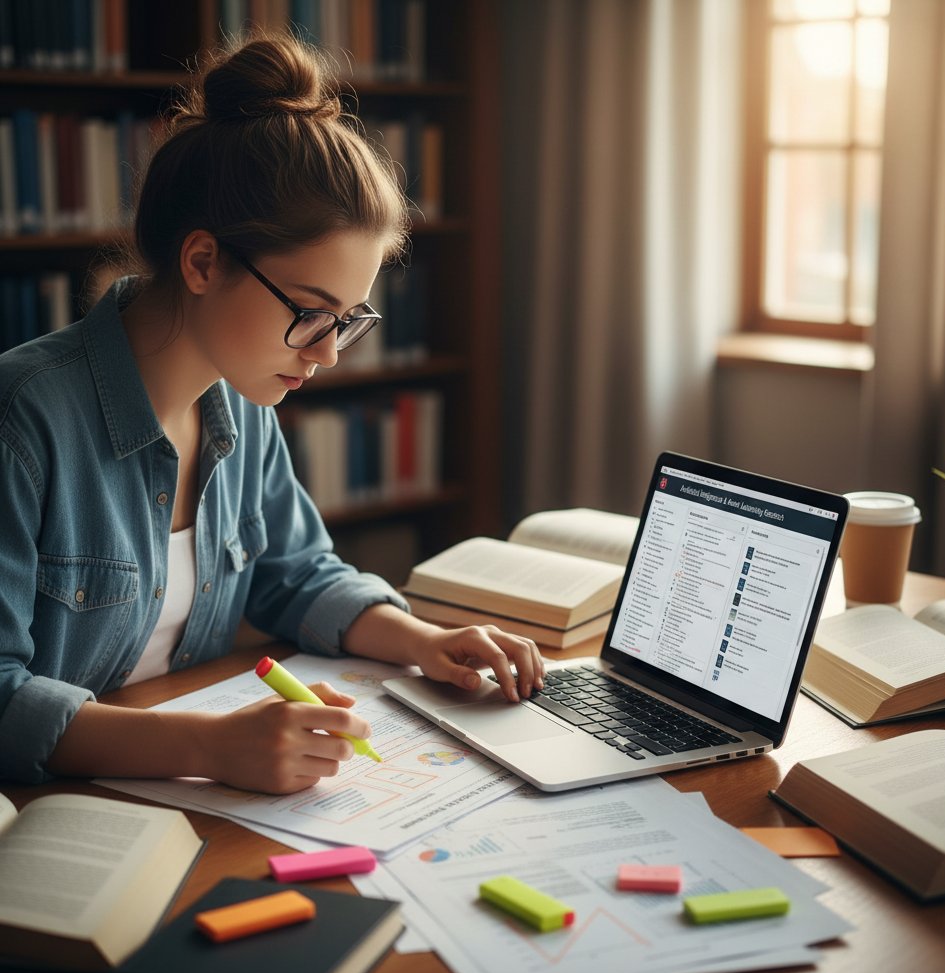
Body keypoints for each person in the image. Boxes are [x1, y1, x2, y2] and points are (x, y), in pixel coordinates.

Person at [0, 32, 543, 793]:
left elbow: (296, 574)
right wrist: (209, 750)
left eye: (348, 320)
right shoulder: (23, 422)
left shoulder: (241, 397)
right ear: (202, 262)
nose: (328, 354)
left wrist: (422, 641)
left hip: (179, 793)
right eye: (310, 313)